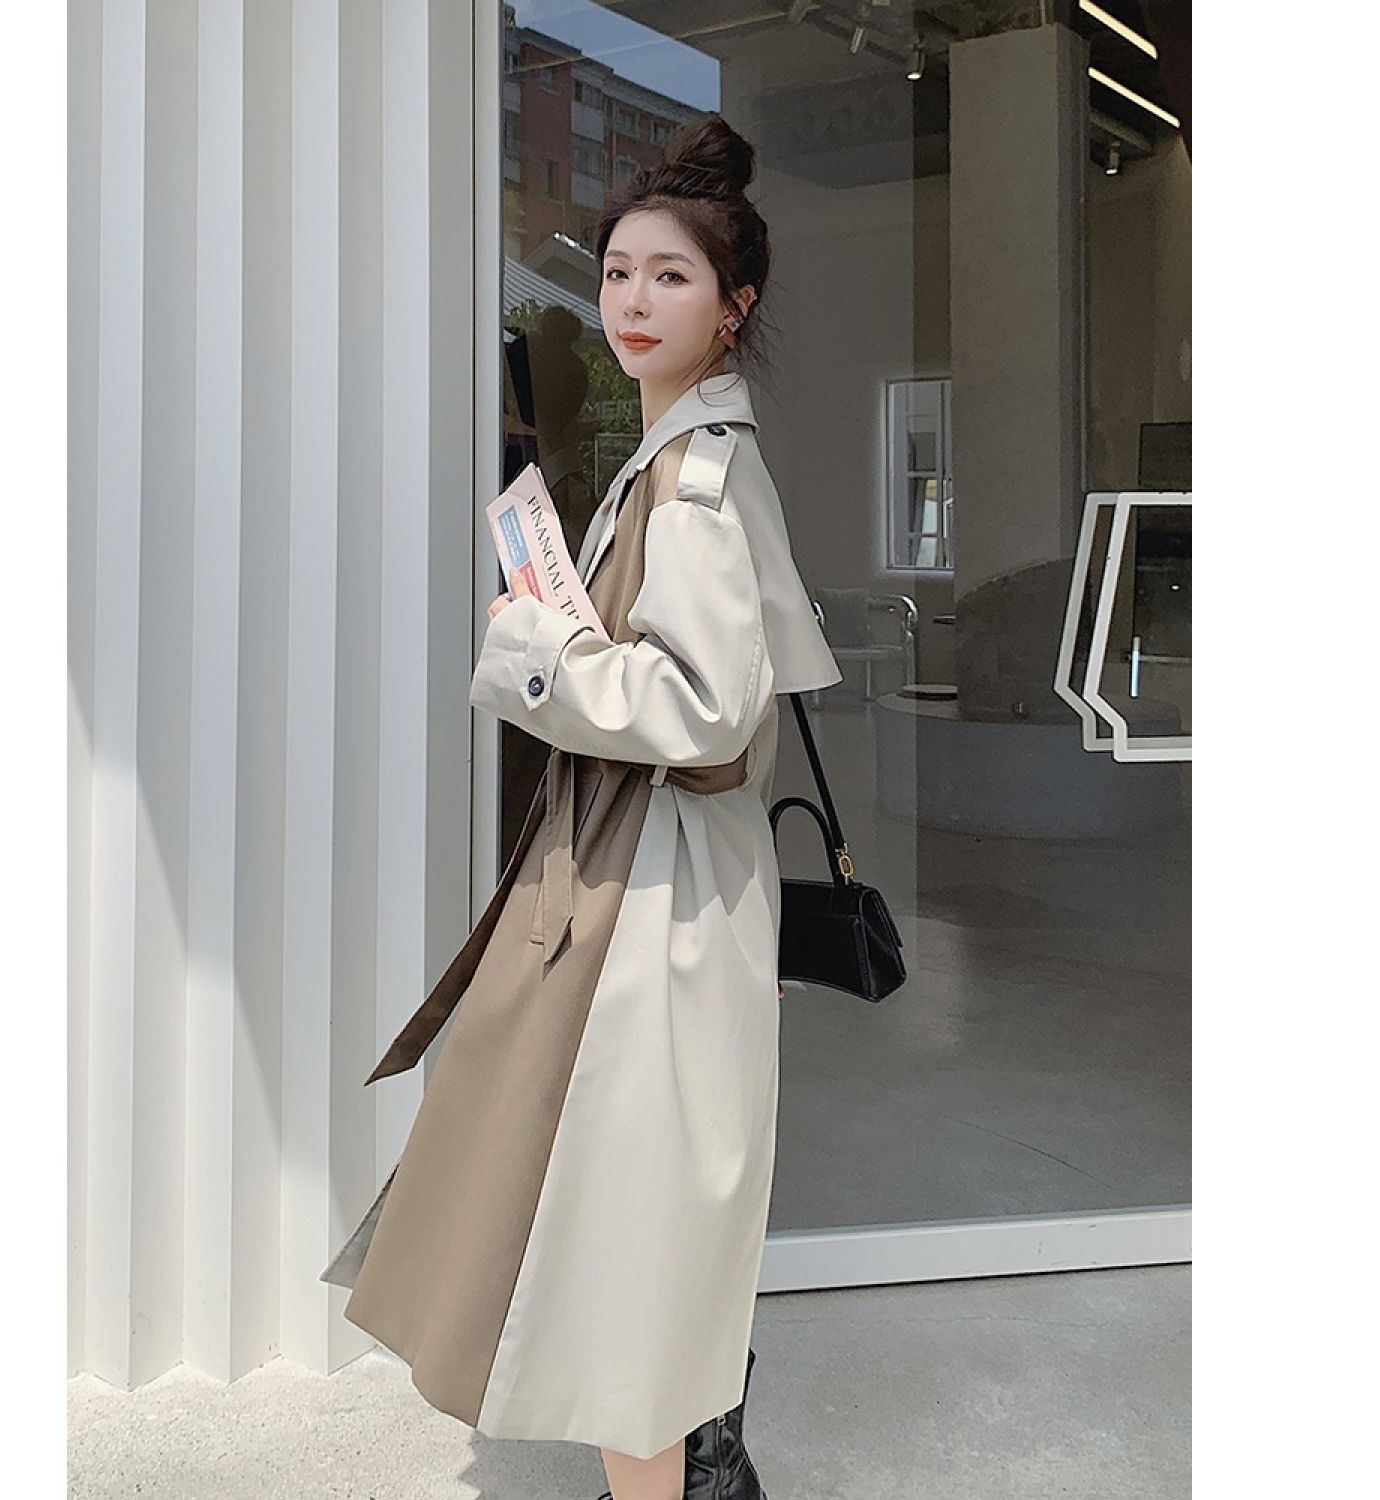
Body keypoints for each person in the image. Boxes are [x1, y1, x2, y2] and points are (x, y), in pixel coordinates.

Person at [320, 114, 841, 1500]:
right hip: (655, 886)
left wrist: (537, 647)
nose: (631, 300)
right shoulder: (668, 459)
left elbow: (705, 713)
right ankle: (703, 1458)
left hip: (660, 905)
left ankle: (685, 1470)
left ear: (735, 306)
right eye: (616, 272)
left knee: (629, 1259)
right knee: (635, 1239)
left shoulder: (699, 480)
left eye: (671, 275)